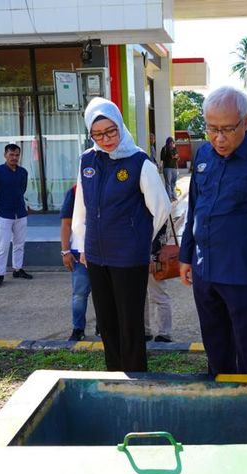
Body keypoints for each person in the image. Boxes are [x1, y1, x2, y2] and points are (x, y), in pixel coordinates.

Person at [179, 86, 247, 376]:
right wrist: (185, 255)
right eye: (211, 128)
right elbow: (195, 209)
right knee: (216, 348)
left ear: (246, 121)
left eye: (227, 129)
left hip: (245, 277)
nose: (219, 138)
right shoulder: (204, 155)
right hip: (206, 273)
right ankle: (222, 405)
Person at [72, 97, 170, 372]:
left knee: (130, 322)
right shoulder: (86, 161)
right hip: (96, 256)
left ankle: (136, 375)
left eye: (111, 131)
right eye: (98, 133)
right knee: (106, 321)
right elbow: (82, 208)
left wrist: (138, 240)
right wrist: (81, 246)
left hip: (129, 259)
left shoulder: (140, 161)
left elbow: (161, 208)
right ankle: (114, 374)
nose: (106, 139)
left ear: (120, 126)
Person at [0, 143, 33, 288]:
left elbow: (22, 191)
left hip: (21, 213)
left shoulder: (23, 172)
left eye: (17, 155)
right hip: (5, 214)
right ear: (5, 155)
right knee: (3, 245)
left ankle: (18, 269)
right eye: (11, 155)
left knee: (19, 243)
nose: (14, 158)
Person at [59, 184, 93, 342]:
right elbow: (66, 223)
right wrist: (65, 251)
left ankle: (104, 327)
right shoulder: (74, 191)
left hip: (104, 252)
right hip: (78, 253)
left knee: (105, 295)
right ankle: (78, 328)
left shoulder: (107, 186)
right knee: (79, 294)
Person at [144, 218, 174, 343]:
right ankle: (148, 331)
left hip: (153, 257)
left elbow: (160, 232)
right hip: (141, 255)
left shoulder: (157, 203)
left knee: (159, 295)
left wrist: (152, 256)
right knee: (142, 296)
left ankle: (164, 333)